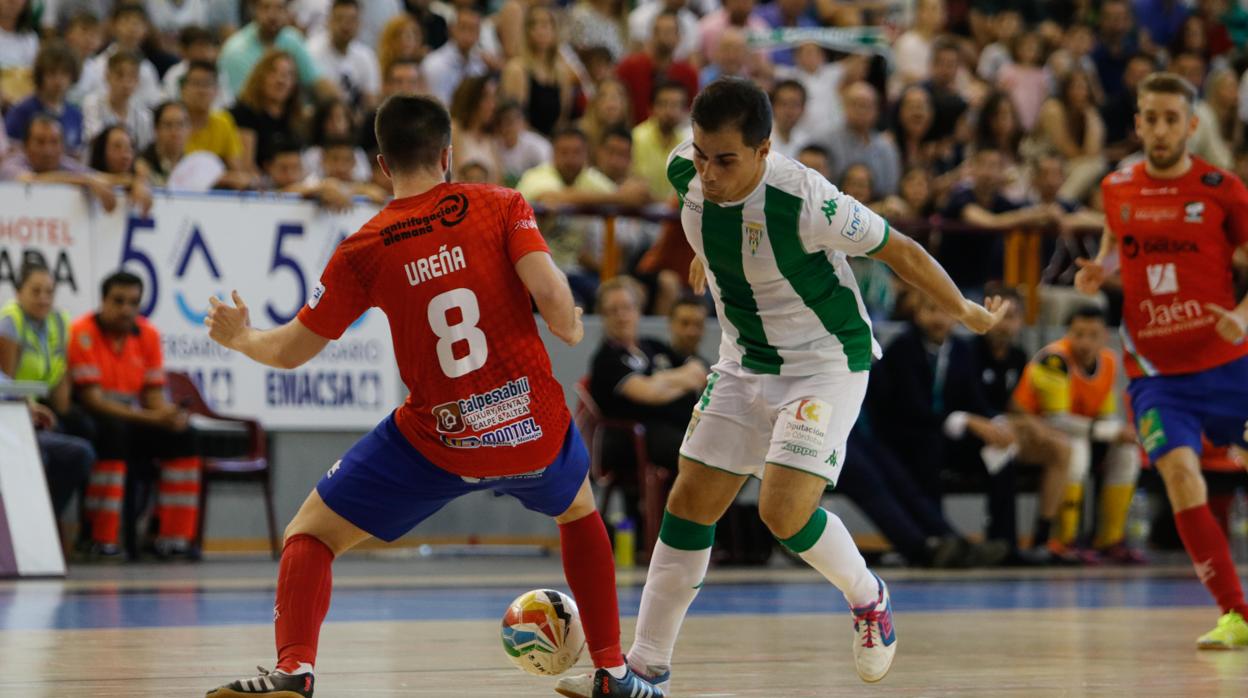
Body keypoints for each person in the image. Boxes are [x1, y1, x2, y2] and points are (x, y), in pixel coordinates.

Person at [557, 77, 1009, 697]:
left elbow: (899, 249)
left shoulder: (808, 201)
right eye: (701, 154)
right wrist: (707, 253)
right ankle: (646, 670)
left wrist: (965, 310)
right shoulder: (685, 172)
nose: (708, 172)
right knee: (689, 502)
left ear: (765, 151)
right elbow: (708, 220)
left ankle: (869, 597)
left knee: (782, 510)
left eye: (726, 160)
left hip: (825, 362)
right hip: (745, 363)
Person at [203, 94, 665, 698]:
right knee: (579, 512)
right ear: (448, 154)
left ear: (381, 163)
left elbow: (291, 352)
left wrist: (240, 338)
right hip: (532, 428)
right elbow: (554, 301)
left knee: (310, 534)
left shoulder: (364, 248)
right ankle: (612, 671)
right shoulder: (501, 205)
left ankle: (294, 670)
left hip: (440, 440)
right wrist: (573, 325)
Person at [1076, 72, 1248, 648]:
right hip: (1155, 371)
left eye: (1172, 118)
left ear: (1192, 125)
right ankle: (1236, 614)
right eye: (1150, 117)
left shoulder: (1223, 189)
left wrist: (1244, 317)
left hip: (1230, 363)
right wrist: (1100, 268)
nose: (1160, 128)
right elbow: (1115, 238)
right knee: (1178, 472)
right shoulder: (1117, 186)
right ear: (1138, 122)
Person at [68, 271, 200, 558]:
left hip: (134, 417)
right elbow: (93, 401)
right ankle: (99, 538)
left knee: (184, 435)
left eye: (133, 302)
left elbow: (152, 395)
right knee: (111, 431)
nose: (126, 309)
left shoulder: (148, 334)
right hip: (97, 415)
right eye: (118, 301)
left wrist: (168, 414)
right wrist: (154, 418)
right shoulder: (82, 332)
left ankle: (169, 537)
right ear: (103, 300)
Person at [1012, 305, 1144, 563]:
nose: (1084, 342)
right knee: (1077, 448)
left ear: (1105, 337)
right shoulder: (1053, 360)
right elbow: (1056, 420)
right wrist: (1106, 430)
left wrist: (1115, 431)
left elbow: (1106, 414)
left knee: (1127, 451)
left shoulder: (1108, 361)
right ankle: (1063, 540)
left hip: (1080, 431)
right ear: (1067, 334)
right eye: (1078, 334)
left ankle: (1110, 539)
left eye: (1092, 335)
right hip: (1035, 432)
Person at [589, 277, 707, 546]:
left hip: (673, 430)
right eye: (613, 309)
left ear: (638, 310)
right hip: (633, 441)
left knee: (727, 449)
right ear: (603, 315)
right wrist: (679, 379)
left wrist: (666, 381)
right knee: (699, 456)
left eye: (627, 307)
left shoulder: (652, 348)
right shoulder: (607, 359)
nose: (622, 315)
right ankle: (685, 537)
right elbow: (649, 393)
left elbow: (700, 370)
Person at [218, 0, 337, 100]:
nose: (272, 15)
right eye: (266, 8)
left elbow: (317, 82)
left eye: (279, 8)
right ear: (253, 10)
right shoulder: (235, 50)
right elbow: (244, 102)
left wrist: (339, 106)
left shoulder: (292, 38)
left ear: (287, 12)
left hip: (287, 116)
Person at [0, 115, 118, 211]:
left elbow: (104, 179)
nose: (48, 150)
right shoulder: (11, 165)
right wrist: (86, 181)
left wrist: (134, 182)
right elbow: (33, 181)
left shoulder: (64, 163)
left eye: (54, 142)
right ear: (25, 146)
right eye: (40, 142)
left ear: (63, 147)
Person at [615, 11, 698, 126]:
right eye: (658, 31)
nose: (663, 36)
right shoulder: (629, 67)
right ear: (651, 35)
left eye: (669, 31)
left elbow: (691, 114)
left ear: (679, 37)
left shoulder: (688, 74)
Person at [4, 41, 84, 155]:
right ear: (41, 75)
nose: (58, 81)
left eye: (64, 73)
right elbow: (9, 154)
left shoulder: (76, 114)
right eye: (52, 73)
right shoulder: (21, 111)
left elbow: (77, 155)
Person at [307, 0, 381, 110]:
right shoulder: (312, 52)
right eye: (339, 19)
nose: (345, 25)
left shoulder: (366, 56)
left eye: (351, 20)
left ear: (359, 24)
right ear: (328, 21)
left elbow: (372, 101)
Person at [82, 50, 154, 151]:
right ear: (107, 76)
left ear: (137, 80)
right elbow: (95, 141)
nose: (126, 82)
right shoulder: (92, 104)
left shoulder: (143, 116)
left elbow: (144, 150)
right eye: (120, 75)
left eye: (132, 76)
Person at [631, 80, 691, 201]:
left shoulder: (688, 143)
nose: (669, 111)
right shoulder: (636, 138)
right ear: (651, 108)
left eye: (675, 105)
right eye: (663, 104)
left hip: (675, 215)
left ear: (684, 111)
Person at [420, 7, 488, 107]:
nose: (468, 34)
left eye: (473, 29)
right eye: (463, 27)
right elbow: (437, 106)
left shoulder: (480, 66)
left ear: (479, 34)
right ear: (451, 29)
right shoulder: (433, 64)